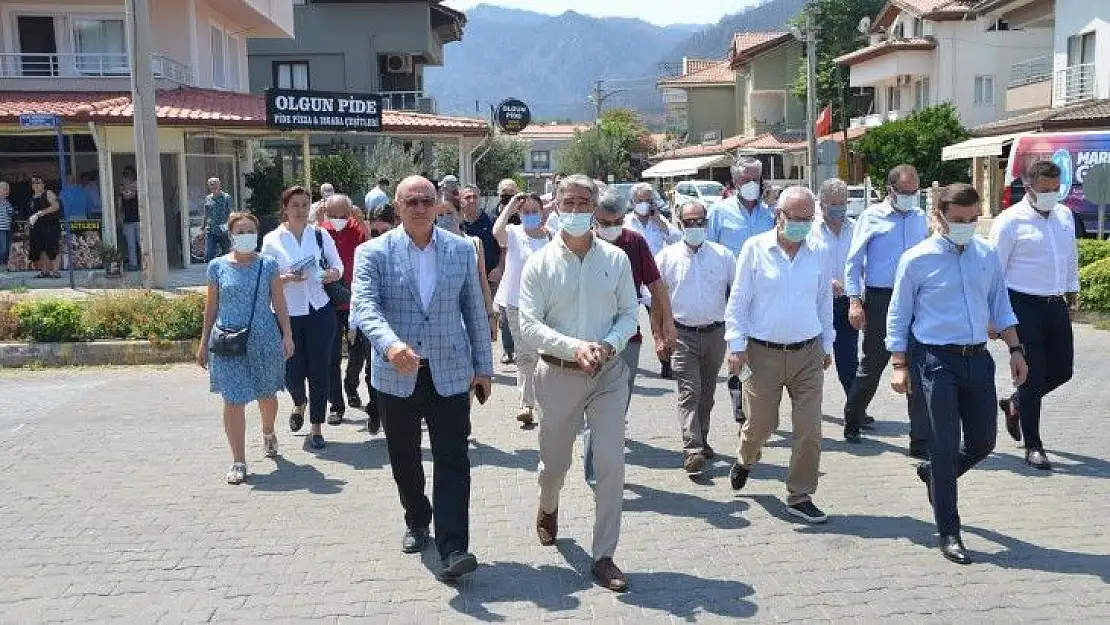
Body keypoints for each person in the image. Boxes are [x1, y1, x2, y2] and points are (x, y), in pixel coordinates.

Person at [351, 175, 493, 581]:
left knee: (453, 459)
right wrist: (389, 344)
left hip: (449, 371)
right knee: (405, 458)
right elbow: (364, 306)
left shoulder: (461, 250)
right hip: (396, 372)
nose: (418, 207)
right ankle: (417, 517)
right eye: (410, 201)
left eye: (426, 200)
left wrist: (483, 368)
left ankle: (454, 547)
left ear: (438, 205)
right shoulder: (372, 252)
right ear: (397, 206)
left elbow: (475, 310)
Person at [888, 183, 1028, 564]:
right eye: (958, 220)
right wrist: (899, 365)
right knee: (945, 444)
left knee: (983, 442)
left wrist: (1016, 349)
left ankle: (936, 475)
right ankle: (949, 531)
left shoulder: (986, 255)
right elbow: (898, 316)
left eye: (972, 219)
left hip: (978, 359)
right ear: (939, 217)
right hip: (935, 361)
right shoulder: (916, 259)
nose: (966, 226)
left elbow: (1001, 306)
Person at [519, 174, 639, 593]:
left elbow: (629, 313)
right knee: (555, 466)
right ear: (555, 205)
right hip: (557, 376)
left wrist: (607, 345)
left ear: (594, 208)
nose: (574, 210)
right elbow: (529, 325)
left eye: (582, 202)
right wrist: (575, 348)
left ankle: (603, 555)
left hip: (607, 374)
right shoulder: (540, 264)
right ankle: (548, 505)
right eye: (567, 202)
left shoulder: (616, 259)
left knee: (610, 462)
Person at [724, 186, 834, 524]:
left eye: (807, 218)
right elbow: (739, 300)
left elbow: (823, 302)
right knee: (761, 425)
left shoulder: (819, 252)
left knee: (809, 429)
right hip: (762, 355)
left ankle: (800, 495)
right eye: (794, 218)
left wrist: (827, 345)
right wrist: (735, 345)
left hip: (807, 353)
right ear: (779, 216)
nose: (800, 224)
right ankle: (745, 458)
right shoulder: (755, 249)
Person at [989, 161, 1078, 471]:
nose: (1052, 195)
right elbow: (994, 271)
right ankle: (1034, 444)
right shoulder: (1010, 221)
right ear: (1028, 188)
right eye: (1045, 190)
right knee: (1033, 373)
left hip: (1054, 303)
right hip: (1021, 305)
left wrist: (1071, 289)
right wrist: (993, 316)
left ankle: (1015, 403)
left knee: (1063, 370)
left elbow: (1069, 256)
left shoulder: (1064, 215)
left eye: (1056, 190)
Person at [585, 189, 676, 483]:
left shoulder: (634, 243)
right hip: (586, 338)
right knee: (593, 409)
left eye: (616, 221)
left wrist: (667, 325)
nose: (610, 227)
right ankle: (595, 472)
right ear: (593, 219)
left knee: (614, 408)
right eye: (604, 221)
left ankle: (602, 465)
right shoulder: (580, 243)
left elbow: (657, 285)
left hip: (626, 339)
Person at [197, 211, 294, 484]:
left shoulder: (268, 265)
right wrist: (204, 341)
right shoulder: (217, 267)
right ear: (230, 235)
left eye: (250, 230)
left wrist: (287, 335)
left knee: (266, 395)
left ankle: (267, 431)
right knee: (233, 399)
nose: (245, 235)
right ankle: (238, 460)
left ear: (258, 233)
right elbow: (211, 307)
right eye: (239, 231)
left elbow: (279, 302)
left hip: (263, 339)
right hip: (228, 341)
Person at [843, 164, 929, 455]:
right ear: (890, 189)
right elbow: (853, 263)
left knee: (917, 364)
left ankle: (919, 439)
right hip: (881, 299)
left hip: (916, 299)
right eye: (905, 191)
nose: (910, 196)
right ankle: (852, 419)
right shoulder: (871, 217)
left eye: (914, 191)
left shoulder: (919, 217)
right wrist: (855, 300)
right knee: (874, 364)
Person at [655, 200, 735, 476]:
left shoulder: (723, 255)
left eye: (699, 221)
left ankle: (702, 437)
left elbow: (735, 296)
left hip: (715, 333)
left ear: (706, 223)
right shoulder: (666, 257)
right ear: (680, 223)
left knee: (707, 393)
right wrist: (659, 334)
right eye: (688, 222)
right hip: (682, 334)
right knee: (689, 391)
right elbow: (656, 299)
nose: (694, 226)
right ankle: (692, 450)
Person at [261, 186, 343, 450]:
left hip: (320, 310)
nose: (300, 210)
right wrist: (285, 278)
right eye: (294, 205)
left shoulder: (320, 235)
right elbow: (265, 277)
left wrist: (331, 274)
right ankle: (299, 402)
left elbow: (338, 266)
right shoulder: (272, 240)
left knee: (320, 370)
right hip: (287, 315)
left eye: (305, 205)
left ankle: (316, 428)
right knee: (292, 372)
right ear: (285, 208)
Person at [705, 157, 776, 423]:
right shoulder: (719, 212)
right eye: (745, 179)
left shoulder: (771, 214)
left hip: (766, 294)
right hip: (731, 294)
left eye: (755, 179)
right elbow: (709, 252)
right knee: (738, 348)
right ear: (734, 182)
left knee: (761, 351)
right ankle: (739, 397)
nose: (751, 184)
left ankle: (755, 400)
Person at [492, 192, 553, 425]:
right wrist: (509, 208)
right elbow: (497, 233)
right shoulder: (514, 234)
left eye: (534, 211)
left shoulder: (551, 237)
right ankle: (526, 404)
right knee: (526, 355)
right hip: (517, 303)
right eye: (525, 211)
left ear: (542, 212)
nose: (530, 215)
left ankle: (547, 402)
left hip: (546, 304)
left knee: (545, 354)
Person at [347, 202, 398, 435]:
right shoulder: (367, 251)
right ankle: (375, 412)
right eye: (375, 231)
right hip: (372, 323)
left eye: (384, 231)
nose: (378, 236)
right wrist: (353, 323)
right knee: (371, 372)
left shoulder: (403, 251)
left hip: (399, 321)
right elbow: (359, 293)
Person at [624, 182, 682, 378]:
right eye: (640, 200)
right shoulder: (626, 222)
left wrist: (661, 222)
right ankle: (625, 361)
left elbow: (678, 239)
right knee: (629, 322)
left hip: (653, 278)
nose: (644, 204)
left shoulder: (659, 221)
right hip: (629, 277)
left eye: (648, 200)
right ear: (633, 202)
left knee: (660, 321)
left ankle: (666, 362)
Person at [320, 194, 369, 424]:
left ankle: (351, 386)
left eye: (343, 215)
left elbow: (370, 253)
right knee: (331, 356)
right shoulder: (320, 232)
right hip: (328, 301)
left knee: (358, 351)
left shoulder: (357, 230)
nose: (338, 219)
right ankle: (335, 405)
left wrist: (363, 224)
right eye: (333, 215)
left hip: (355, 301)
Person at [810, 178, 857, 396]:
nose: (838, 208)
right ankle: (809, 405)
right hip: (817, 303)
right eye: (833, 203)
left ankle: (855, 410)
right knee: (813, 356)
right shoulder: (811, 231)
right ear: (822, 205)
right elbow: (805, 264)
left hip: (847, 302)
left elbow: (862, 264)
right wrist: (827, 281)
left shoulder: (856, 229)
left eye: (842, 203)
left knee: (849, 357)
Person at [490, 177, 521, 364]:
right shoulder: (492, 216)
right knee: (504, 314)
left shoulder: (520, 217)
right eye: (504, 194)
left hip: (512, 268)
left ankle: (520, 348)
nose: (507, 197)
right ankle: (508, 349)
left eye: (511, 194)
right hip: (494, 270)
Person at [28, 175, 62, 278]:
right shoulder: (32, 197)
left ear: (43, 184)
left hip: (50, 226)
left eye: (38, 183)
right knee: (42, 250)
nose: (36, 185)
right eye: (34, 183)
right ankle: (45, 271)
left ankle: (56, 271)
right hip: (38, 228)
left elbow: (56, 206)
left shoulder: (48, 193)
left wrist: (40, 213)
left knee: (53, 249)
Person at [203, 177, 233, 262]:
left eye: (215, 184)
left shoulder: (226, 197)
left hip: (224, 230)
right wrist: (203, 227)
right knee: (209, 253)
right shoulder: (208, 198)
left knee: (226, 253)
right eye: (211, 184)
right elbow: (206, 214)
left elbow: (231, 212)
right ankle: (212, 272)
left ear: (219, 185)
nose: (213, 186)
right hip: (211, 230)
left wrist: (230, 225)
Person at [118, 166, 141, 270]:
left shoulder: (138, 184)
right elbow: (121, 203)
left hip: (139, 219)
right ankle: (133, 264)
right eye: (124, 175)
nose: (126, 177)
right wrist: (119, 217)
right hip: (128, 220)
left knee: (142, 243)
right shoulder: (122, 188)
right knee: (131, 245)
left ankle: (146, 263)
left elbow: (131, 193)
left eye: (127, 174)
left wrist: (127, 187)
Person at [0, 181, 12, 271]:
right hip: (1, 229)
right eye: (5, 189)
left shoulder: (7, 202)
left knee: (7, 248)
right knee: (2, 248)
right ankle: (1, 265)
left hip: (7, 228)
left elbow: (10, 213)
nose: (7, 191)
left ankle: (4, 266)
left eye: (8, 189)